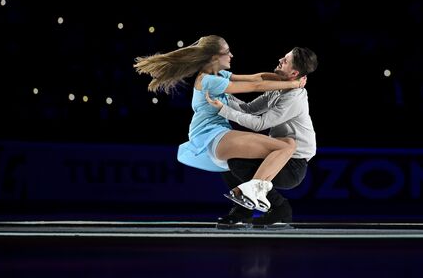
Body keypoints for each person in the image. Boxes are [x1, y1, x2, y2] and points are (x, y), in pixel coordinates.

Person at [133, 35, 306, 212]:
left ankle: (252, 192)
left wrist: (285, 81)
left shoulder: (218, 74)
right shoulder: (210, 81)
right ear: (215, 57)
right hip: (214, 137)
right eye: (227, 52)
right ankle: (250, 191)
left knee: (288, 144)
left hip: (216, 137)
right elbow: (255, 87)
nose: (231, 55)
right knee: (286, 147)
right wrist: (292, 84)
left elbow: (256, 78)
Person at [205, 47, 318, 228]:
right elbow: (250, 109)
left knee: (236, 162)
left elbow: (259, 124)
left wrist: (223, 109)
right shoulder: (279, 89)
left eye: (286, 60)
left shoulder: (294, 98)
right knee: (225, 159)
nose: (281, 58)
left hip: (292, 164)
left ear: (294, 73)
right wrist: (224, 96)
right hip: (275, 152)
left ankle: (280, 207)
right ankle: (244, 211)